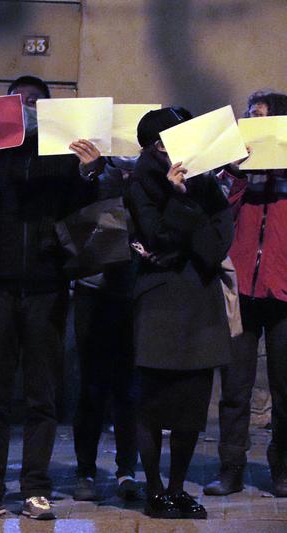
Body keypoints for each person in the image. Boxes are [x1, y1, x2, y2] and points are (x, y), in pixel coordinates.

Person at [0, 75, 100, 521]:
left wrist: (88, 171)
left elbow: (82, 210)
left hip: (46, 287)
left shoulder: (62, 156)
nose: (27, 108)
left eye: (35, 102)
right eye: (20, 100)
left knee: (41, 394)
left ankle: (35, 488)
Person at [127, 107, 233, 519]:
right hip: (157, 301)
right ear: (155, 148)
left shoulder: (206, 182)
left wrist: (186, 209)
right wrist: (177, 200)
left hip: (200, 297)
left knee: (191, 405)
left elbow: (215, 242)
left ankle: (177, 487)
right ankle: (155, 488)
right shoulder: (140, 183)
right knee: (151, 404)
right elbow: (156, 237)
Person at [205, 91, 287, 497]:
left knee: (285, 387)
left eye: (264, 118)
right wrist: (235, 171)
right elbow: (220, 210)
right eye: (251, 117)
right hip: (242, 290)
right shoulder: (233, 173)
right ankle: (230, 467)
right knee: (235, 387)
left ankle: (283, 467)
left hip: (284, 290)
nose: (256, 123)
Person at [71, 155, 142, 502]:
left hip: (132, 290)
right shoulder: (99, 174)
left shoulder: (148, 174)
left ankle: (127, 468)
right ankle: (85, 469)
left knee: (128, 388)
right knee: (91, 386)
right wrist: (100, 171)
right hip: (93, 288)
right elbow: (88, 211)